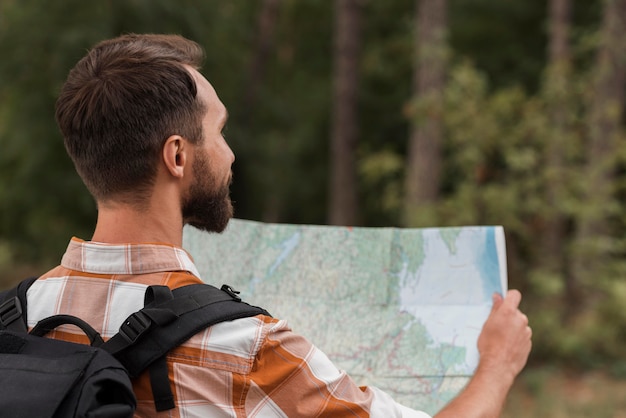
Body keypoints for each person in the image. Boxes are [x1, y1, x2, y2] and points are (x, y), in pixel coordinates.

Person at [29, 33, 531, 417]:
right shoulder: (245, 347)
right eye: (219, 131)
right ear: (177, 156)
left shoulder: (19, 316)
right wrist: (498, 364)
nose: (229, 153)